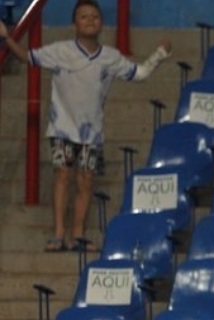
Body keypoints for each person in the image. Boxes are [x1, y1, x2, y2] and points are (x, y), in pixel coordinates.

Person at [0, 0, 171, 252]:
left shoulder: (111, 57)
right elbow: (29, 57)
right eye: (83, 16)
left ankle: (77, 234)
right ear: (74, 24)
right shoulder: (61, 51)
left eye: (94, 16)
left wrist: (158, 55)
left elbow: (140, 73)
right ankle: (59, 233)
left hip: (92, 132)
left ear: (101, 23)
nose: (90, 20)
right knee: (62, 175)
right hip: (61, 128)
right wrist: (6, 38)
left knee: (86, 180)